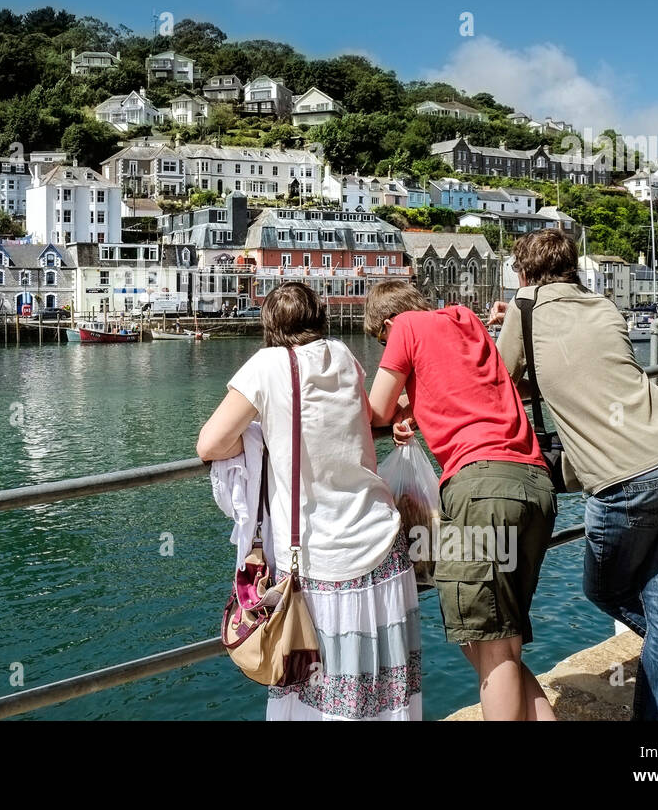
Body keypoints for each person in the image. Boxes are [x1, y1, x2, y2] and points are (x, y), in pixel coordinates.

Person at [492, 229, 658, 721]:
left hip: (631, 479)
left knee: (609, 590)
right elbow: (592, 370)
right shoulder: (603, 306)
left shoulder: (525, 304)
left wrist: (508, 324)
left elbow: (499, 377)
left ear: (524, 272)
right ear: (574, 269)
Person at [197, 281, 422, 720]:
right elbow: (363, 416)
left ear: (270, 325)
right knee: (382, 696)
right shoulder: (343, 355)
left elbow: (210, 443)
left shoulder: (266, 365)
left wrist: (256, 439)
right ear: (319, 317)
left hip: (324, 563)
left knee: (326, 704)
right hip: (383, 546)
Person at [364, 280, 556, 721]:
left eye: (380, 339)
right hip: (532, 484)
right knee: (498, 642)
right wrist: (414, 407)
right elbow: (464, 384)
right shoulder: (465, 320)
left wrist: (393, 408)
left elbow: (374, 410)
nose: (384, 345)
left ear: (389, 324)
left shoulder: (406, 327)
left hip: (480, 490)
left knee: (491, 648)